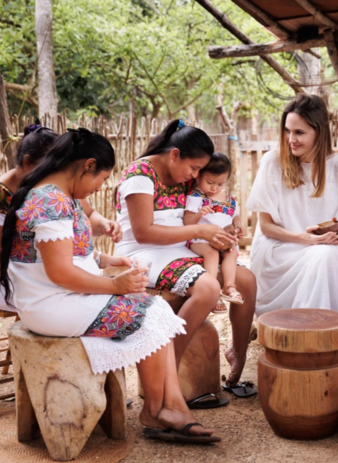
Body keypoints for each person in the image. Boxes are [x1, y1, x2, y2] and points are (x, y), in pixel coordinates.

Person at [0, 129, 219, 443]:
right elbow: (60, 272)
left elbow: (65, 254)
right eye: (101, 180)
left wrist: (105, 261)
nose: (99, 188)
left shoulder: (56, 194)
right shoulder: (51, 201)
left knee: (152, 309)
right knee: (149, 312)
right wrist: (115, 286)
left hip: (53, 298)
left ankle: (166, 407)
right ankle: (160, 410)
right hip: (51, 305)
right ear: (88, 165)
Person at [115, 119, 254, 397]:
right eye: (194, 168)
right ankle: (168, 376)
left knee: (246, 280)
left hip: (182, 246)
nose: (195, 175)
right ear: (175, 154)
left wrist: (222, 230)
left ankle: (237, 353)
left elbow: (205, 214)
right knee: (207, 287)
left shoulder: (183, 176)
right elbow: (143, 233)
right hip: (144, 252)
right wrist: (201, 230)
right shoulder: (140, 175)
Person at [247, 94, 338, 315]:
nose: (291, 139)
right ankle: (313, 330)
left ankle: (322, 331)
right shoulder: (273, 161)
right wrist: (304, 238)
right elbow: (266, 227)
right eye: (287, 131)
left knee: (328, 256)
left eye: (299, 132)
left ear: (319, 132)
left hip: (322, 249)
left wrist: (335, 232)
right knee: (323, 257)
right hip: (279, 250)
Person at [0, 124, 123, 312]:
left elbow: (88, 215)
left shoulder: (57, 190)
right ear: (27, 163)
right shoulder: (46, 196)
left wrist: (104, 231)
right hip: (21, 283)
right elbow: (42, 258)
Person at [183, 152, 243, 313]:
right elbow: (187, 221)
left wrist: (238, 226)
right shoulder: (196, 196)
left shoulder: (228, 199)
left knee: (232, 253)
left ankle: (229, 287)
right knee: (212, 253)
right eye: (209, 182)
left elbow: (235, 216)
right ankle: (213, 291)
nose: (214, 188)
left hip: (223, 240)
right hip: (200, 241)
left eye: (220, 184)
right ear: (199, 175)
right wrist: (199, 214)